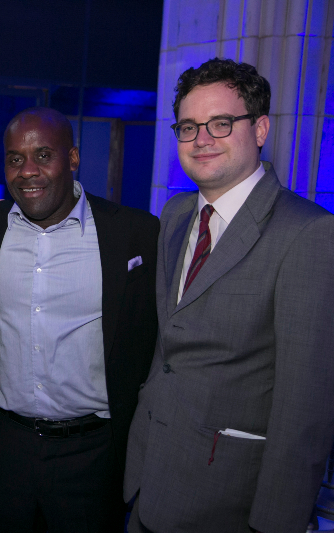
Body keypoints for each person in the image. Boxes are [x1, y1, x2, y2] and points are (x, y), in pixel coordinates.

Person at [124, 58, 334, 533]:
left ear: (260, 129)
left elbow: (306, 411)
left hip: (229, 498)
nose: (202, 139)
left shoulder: (309, 234)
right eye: (189, 127)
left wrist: (275, 523)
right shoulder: (175, 215)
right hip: (149, 480)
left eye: (221, 123)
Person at [0, 107, 159, 532]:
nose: (28, 171)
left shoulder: (133, 233)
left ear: (73, 158)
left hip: (92, 456)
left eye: (43, 155)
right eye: (15, 159)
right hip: (4, 448)